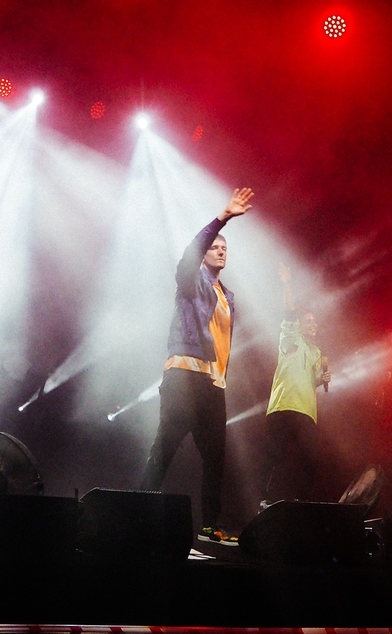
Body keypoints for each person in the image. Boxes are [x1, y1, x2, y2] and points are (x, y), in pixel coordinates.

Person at [140, 187, 255, 547]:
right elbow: (190, 253)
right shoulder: (191, 283)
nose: (221, 251)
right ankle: (134, 510)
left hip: (212, 383)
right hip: (185, 374)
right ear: (204, 254)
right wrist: (223, 218)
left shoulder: (226, 296)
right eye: (215, 247)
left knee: (216, 458)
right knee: (165, 448)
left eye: (225, 248)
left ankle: (210, 525)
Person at [259, 261, 331, 507]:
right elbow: (289, 312)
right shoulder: (291, 338)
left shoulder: (316, 351)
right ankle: (264, 500)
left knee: (310, 459)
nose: (314, 324)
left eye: (315, 321)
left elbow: (313, 380)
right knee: (273, 457)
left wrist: (322, 379)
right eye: (308, 321)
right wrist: (287, 283)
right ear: (298, 325)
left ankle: (302, 502)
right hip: (283, 407)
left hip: (306, 412)